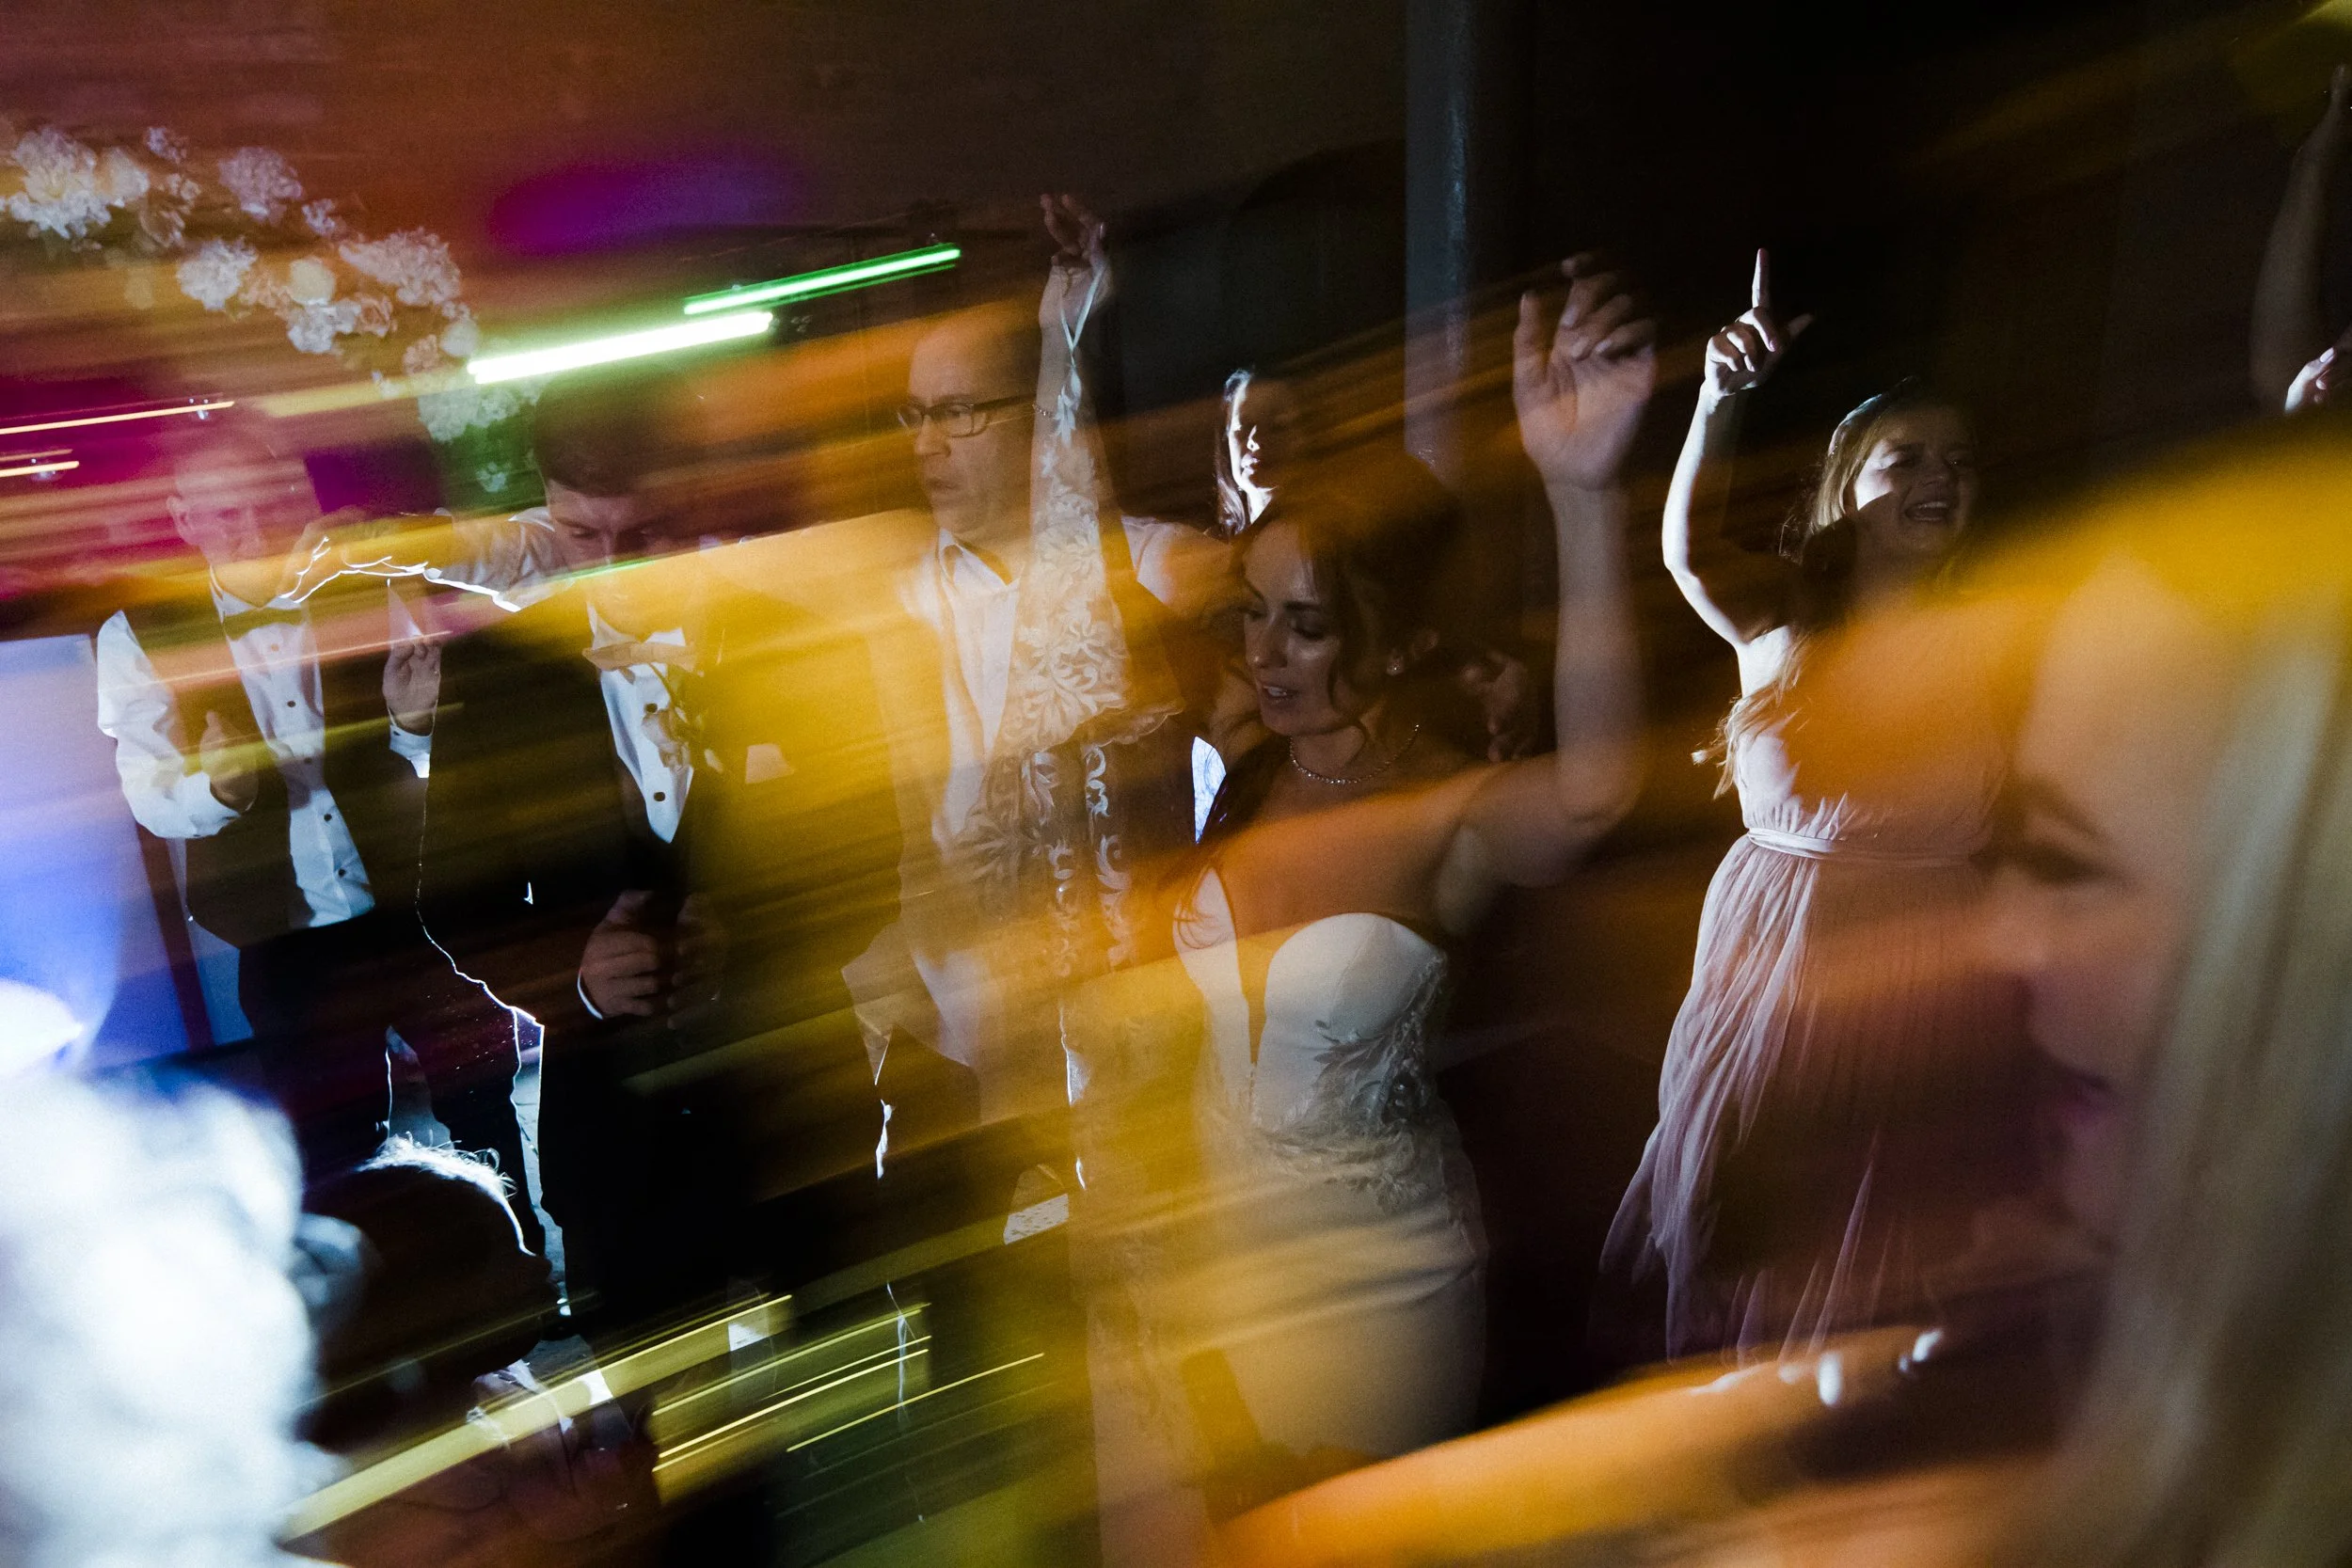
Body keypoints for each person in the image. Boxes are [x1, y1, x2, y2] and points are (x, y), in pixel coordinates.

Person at [1147, 254, 1648, 1482]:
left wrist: (1582, 496)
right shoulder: (1250, 766)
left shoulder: (1445, 809)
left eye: (1306, 624)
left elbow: (1597, 791)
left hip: (1376, 1297)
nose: (1265, 653)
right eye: (1252, 612)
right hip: (1210, 1274)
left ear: (1400, 634)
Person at [1602, 250, 2035, 1359]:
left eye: (1960, 460)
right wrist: (1718, 398)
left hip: (1925, 999)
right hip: (1778, 976)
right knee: (1765, 1245)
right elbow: (1687, 548)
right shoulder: (1783, 623)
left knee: (1887, 1268)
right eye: (1909, 458)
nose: (1942, 476)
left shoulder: (1999, 639)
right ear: (1851, 482)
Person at [419, 370, 898, 1335]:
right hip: (614, 1142)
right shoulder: (495, 680)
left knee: (839, 1437)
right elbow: (452, 903)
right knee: (653, 1460)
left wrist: (756, 935)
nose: (609, 568)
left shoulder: (798, 646)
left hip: (798, 1124)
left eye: (641, 536)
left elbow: (876, 858)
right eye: (580, 535)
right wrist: (576, 973)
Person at [95, 418, 537, 1220]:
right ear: (185, 519)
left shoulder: (374, 576)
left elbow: (423, 743)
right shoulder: (136, 632)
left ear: (295, 495)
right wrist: (220, 790)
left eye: (265, 503)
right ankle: (379, 1305)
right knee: (332, 1146)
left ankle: (519, 1271)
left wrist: (412, 726)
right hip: (282, 934)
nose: (252, 530)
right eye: (222, 514)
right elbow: (149, 794)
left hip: (416, 901)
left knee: (482, 1096)